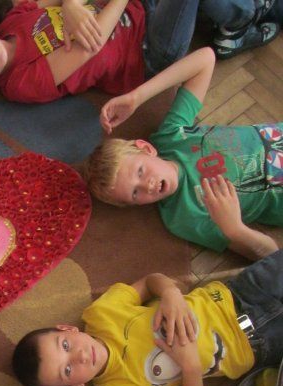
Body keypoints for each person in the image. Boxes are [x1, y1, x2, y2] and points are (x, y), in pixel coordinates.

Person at [11, 251, 283, 386]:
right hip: (256, 345)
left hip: (239, 293)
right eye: (68, 370)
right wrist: (190, 368)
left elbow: (152, 281)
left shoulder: (101, 313)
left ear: (68, 329)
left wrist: (171, 295)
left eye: (66, 346)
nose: (80, 356)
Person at [83, 47, 282, 259]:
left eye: (140, 171)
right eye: (135, 193)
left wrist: (137, 96)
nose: (146, 186)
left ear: (147, 149)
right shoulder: (182, 218)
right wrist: (235, 229)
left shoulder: (171, 136)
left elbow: (206, 58)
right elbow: (272, 258)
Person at [0, 0, 229, 104]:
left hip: (136, 9)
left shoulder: (11, 21)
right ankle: (241, 22)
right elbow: (90, 45)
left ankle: (239, 16)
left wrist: (71, 4)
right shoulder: (18, 83)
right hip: (148, 51)